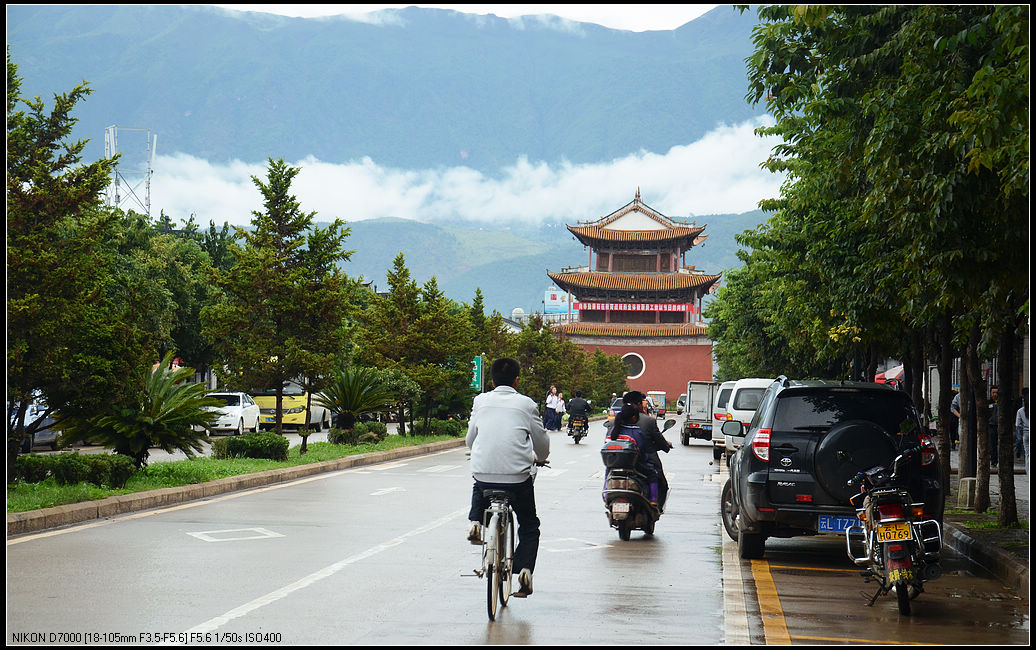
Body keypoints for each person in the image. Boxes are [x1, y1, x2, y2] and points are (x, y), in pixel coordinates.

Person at [466, 358, 550, 598]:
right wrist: (540, 457)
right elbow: (541, 443)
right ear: (516, 381)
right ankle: (524, 570)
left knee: (479, 484)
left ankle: (475, 522)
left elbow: (470, 439)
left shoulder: (480, 401)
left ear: (492, 382)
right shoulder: (527, 404)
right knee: (529, 525)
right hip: (516, 478)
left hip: (484, 473)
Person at [1016, 389, 1029, 476]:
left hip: (1026, 434)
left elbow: (1018, 425)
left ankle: (1028, 472)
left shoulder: (1020, 411)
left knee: (1027, 454)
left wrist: (1021, 434)